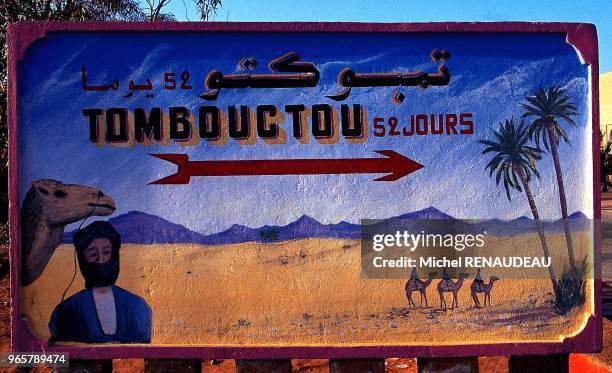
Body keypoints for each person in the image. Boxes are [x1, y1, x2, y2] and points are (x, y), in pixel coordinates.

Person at [49, 221, 152, 343]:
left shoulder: (137, 307)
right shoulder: (66, 311)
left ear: (114, 254)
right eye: (93, 254)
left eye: (106, 252)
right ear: (82, 259)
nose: (100, 260)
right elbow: (61, 358)